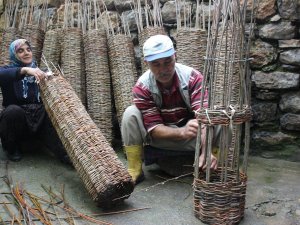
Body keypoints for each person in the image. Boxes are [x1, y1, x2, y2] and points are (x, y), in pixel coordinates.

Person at [121, 34, 217, 184]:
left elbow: (204, 118)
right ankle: (135, 169)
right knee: (130, 114)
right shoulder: (142, 87)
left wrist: (206, 150)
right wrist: (181, 132)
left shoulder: (193, 78)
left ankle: (211, 162)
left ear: (175, 57)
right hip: (162, 138)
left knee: (222, 120)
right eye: (156, 64)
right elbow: (154, 128)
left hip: (195, 136)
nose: (163, 69)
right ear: (146, 63)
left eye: (167, 62)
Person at [0, 38, 69, 163]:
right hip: (19, 122)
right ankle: (12, 148)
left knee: (51, 111)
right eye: (20, 51)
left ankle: (64, 154)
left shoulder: (39, 72)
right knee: (12, 111)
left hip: (38, 117)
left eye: (28, 50)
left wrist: (54, 79)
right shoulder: (7, 71)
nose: (26, 53)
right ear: (13, 55)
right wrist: (25, 70)